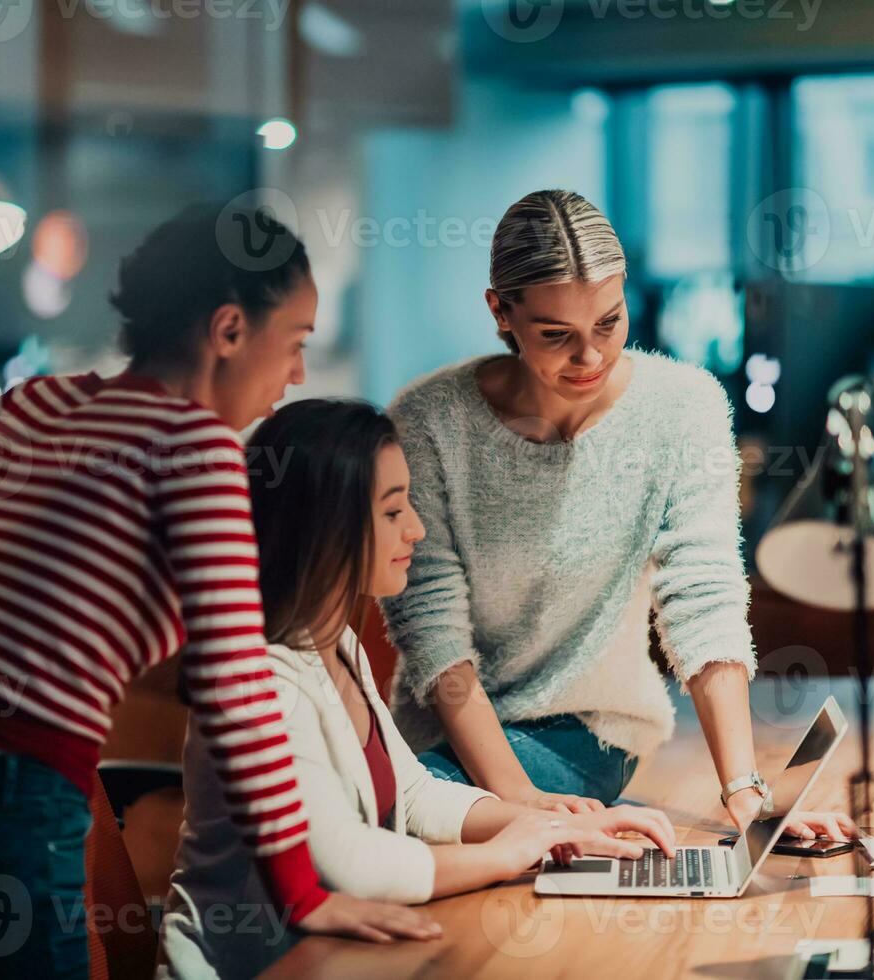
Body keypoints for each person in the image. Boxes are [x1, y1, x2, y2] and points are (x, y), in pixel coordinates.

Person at [0, 204, 438, 978]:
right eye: (294, 344)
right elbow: (236, 690)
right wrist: (303, 896)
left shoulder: (33, 407)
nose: (297, 374)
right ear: (227, 333)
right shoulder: (196, 452)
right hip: (15, 801)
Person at [381, 189, 858, 841]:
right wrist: (517, 797)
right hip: (445, 730)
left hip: (586, 727)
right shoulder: (428, 421)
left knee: (399, 827)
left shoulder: (683, 408)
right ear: (500, 312)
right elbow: (430, 631)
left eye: (608, 321)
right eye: (557, 336)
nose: (591, 358)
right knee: (383, 820)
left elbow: (704, 599)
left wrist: (746, 791)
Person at [159, 399, 679, 979]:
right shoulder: (264, 677)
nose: (417, 528)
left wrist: (550, 826)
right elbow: (347, 865)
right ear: (323, 526)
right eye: (391, 511)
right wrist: (503, 854)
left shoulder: (336, 645)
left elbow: (412, 796)